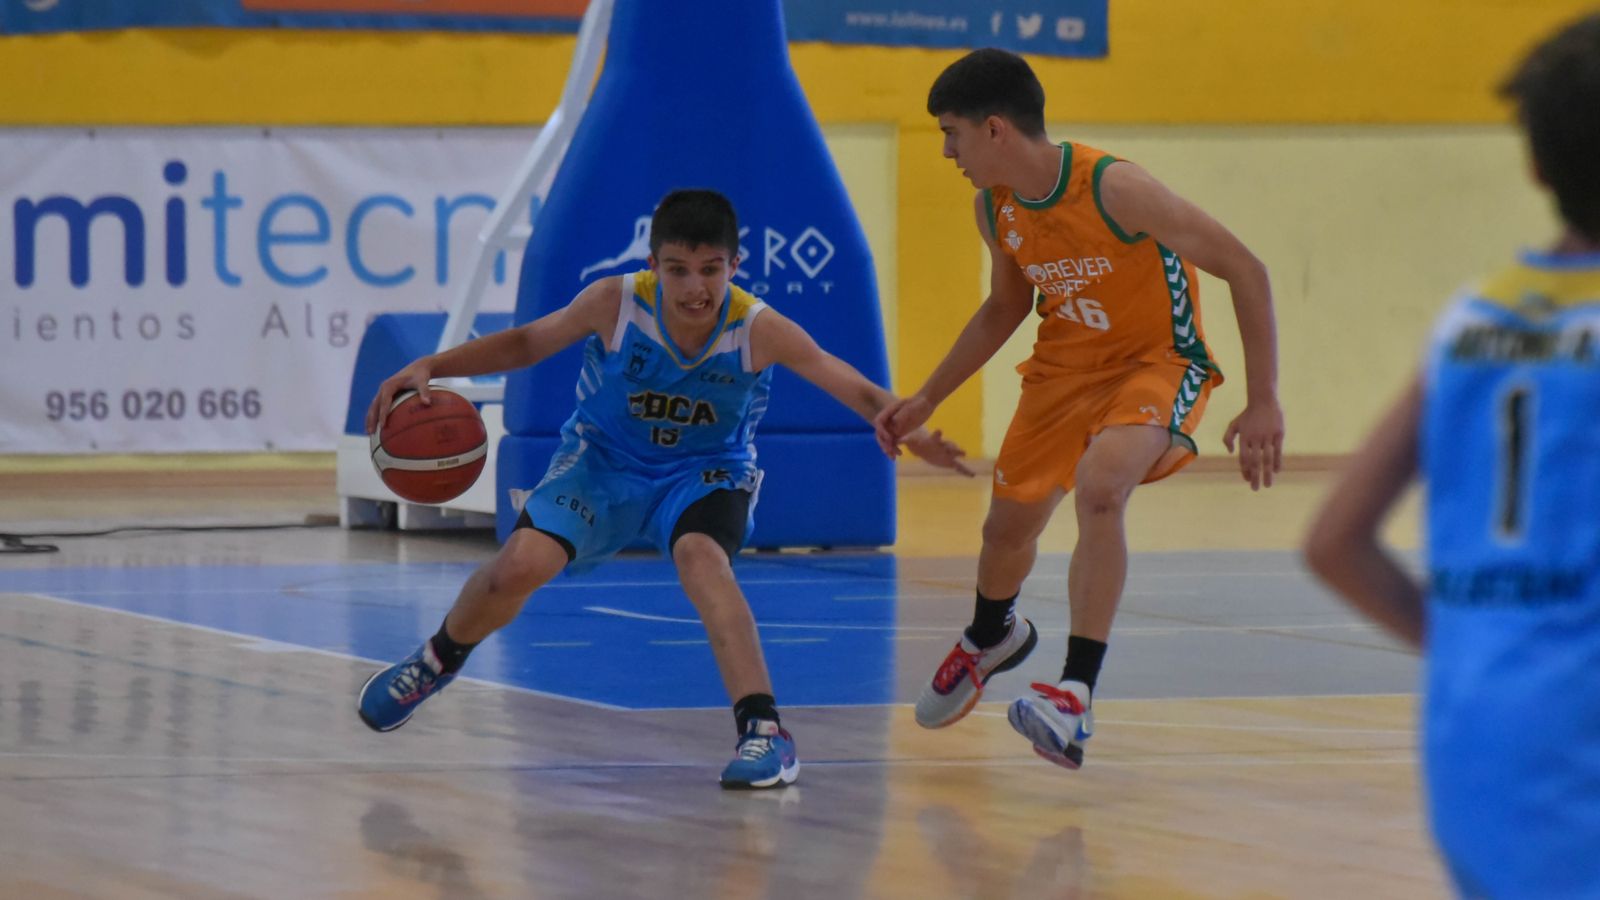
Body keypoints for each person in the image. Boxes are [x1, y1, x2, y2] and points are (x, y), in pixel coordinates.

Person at [357, 188, 971, 789]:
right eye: (678, 270)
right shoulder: (615, 302)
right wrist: (434, 365)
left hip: (704, 471)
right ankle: (435, 660)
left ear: (735, 266)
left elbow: (849, 383)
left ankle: (765, 732)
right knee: (516, 566)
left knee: (703, 560)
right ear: (653, 265)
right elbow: (526, 342)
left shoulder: (757, 328)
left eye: (710, 270)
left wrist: (912, 429)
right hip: (602, 462)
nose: (694, 287)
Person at [875, 48, 1285, 769]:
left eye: (951, 133)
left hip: (1154, 364)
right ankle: (991, 636)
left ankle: (1074, 694)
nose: (946, 152)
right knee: (1005, 531)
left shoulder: (1115, 188)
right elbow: (1005, 307)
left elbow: (1245, 268)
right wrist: (927, 397)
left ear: (995, 129)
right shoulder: (995, 207)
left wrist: (1263, 400)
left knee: (1101, 487)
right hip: (1061, 374)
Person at [1304, 14, 1600, 896]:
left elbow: (1333, 542)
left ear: (1535, 164)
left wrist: (1476, 642)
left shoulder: (1471, 321)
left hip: (1473, 752)